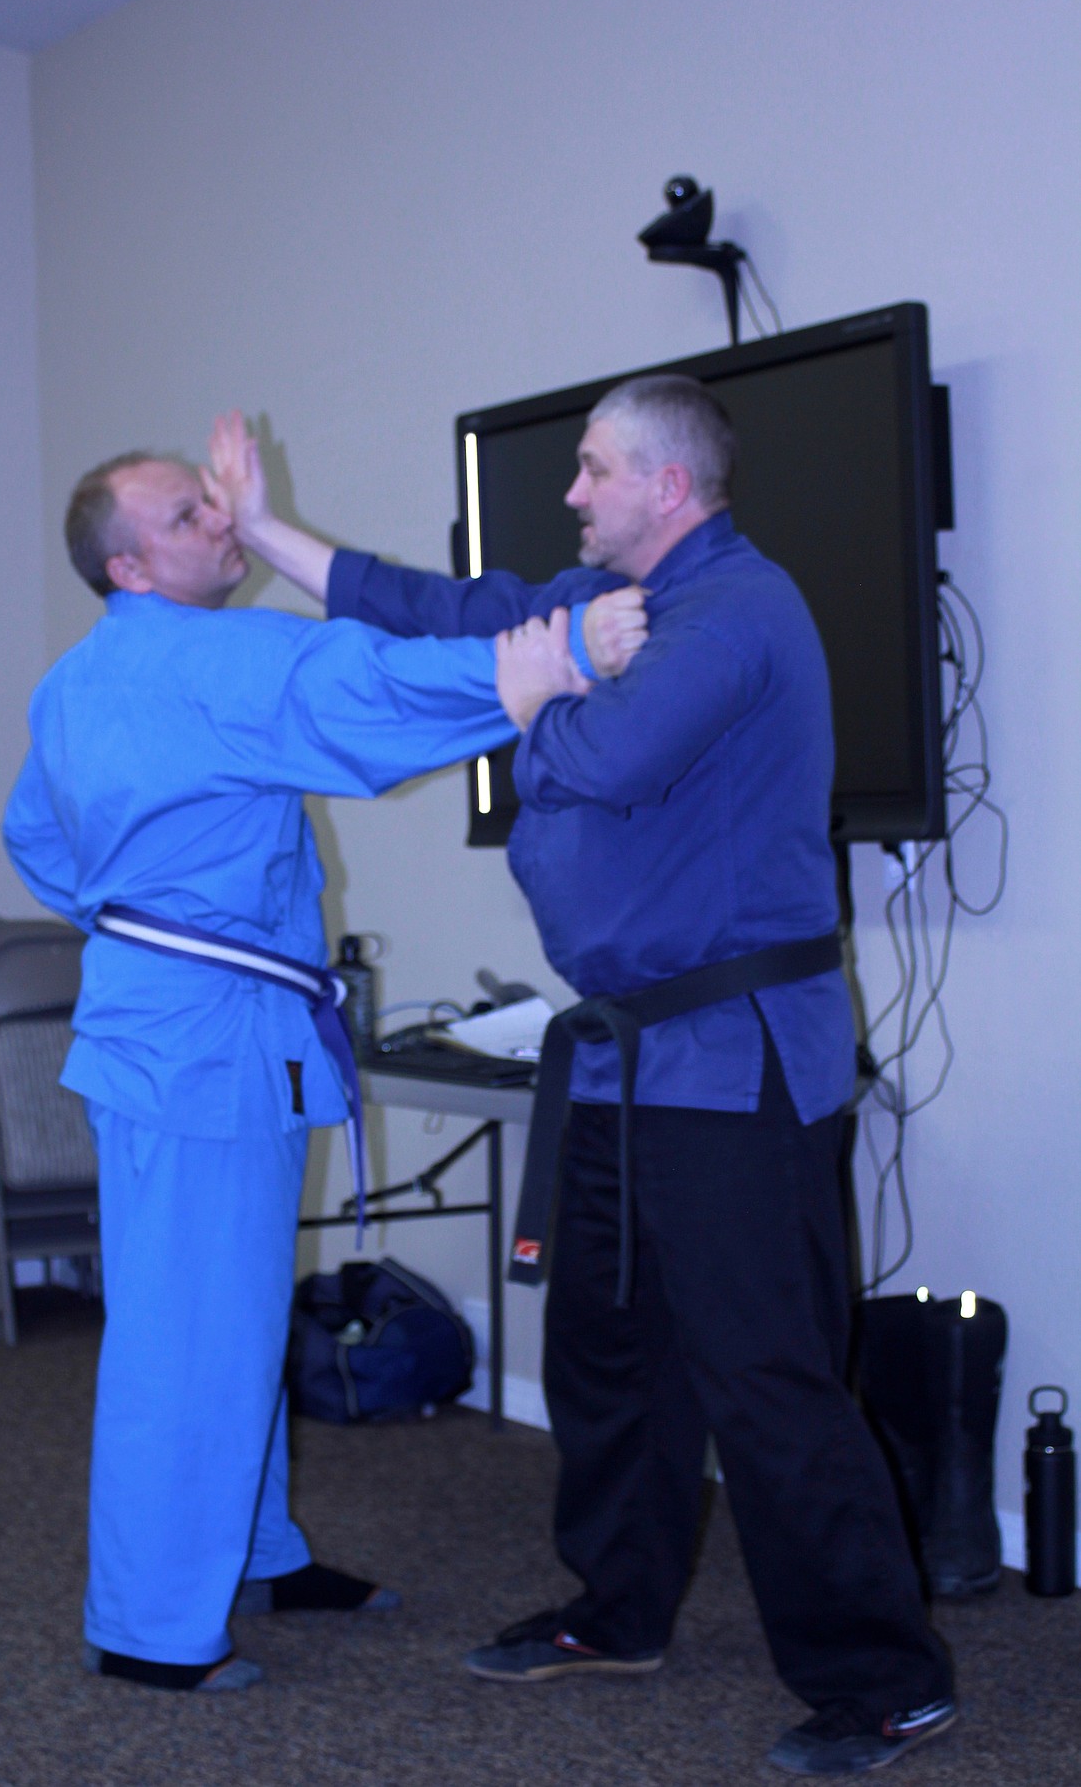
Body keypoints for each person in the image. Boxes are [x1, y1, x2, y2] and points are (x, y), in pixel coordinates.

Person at [209, 388, 956, 1775]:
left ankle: (883, 1678)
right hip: (623, 1058)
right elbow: (433, 610)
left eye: (594, 470)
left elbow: (601, 761)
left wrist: (541, 678)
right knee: (606, 1359)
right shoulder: (601, 598)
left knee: (766, 1376)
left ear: (668, 486)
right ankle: (618, 1611)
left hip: (736, 1064)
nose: (572, 492)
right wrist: (269, 534)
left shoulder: (736, 614)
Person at [2, 446, 640, 1695]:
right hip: (202, 1044)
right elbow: (371, 688)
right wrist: (563, 654)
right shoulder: (211, 658)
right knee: (185, 1334)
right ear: (129, 564)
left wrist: (138, 914)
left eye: (209, 495)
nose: (219, 518)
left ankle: (254, 1548)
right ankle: (148, 1629)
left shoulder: (74, 684)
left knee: (220, 1310)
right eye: (187, 514)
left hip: (172, 1030)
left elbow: (36, 835)